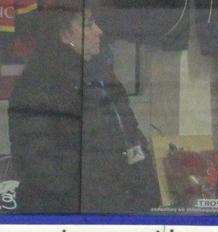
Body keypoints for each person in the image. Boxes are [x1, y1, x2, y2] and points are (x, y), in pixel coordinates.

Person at [7, 2, 160, 213]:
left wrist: (146, 190)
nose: (99, 31)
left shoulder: (102, 75)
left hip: (119, 206)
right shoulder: (39, 85)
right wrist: (97, 195)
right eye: (88, 25)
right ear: (64, 35)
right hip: (66, 215)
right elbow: (39, 164)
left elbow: (130, 135)